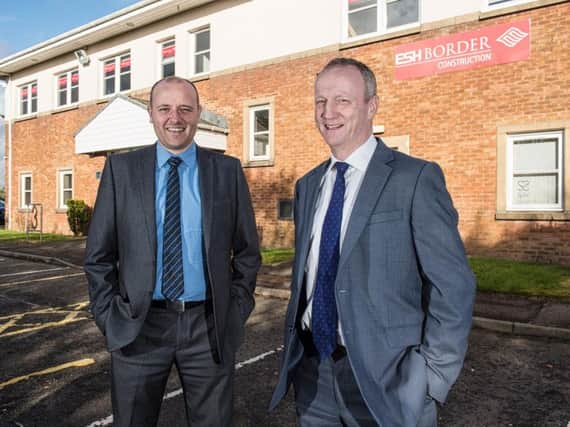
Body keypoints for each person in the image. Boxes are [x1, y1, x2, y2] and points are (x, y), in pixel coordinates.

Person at [269, 57, 476, 427]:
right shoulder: (307, 186)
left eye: (342, 100)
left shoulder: (415, 178)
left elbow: (452, 286)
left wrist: (431, 378)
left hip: (389, 380)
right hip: (314, 375)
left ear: (371, 106)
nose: (328, 112)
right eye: (320, 101)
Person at [84, 76, 260, 426]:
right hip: (140, 326)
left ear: (198, 114)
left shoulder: (226, 170)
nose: (174, 118)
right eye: (164, 108)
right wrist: (110, 316)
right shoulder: (121, 170)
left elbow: (247, 252)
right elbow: (99, 256)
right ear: (150, 113)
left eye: (185, 108)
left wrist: (235, 310)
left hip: (207, 327)